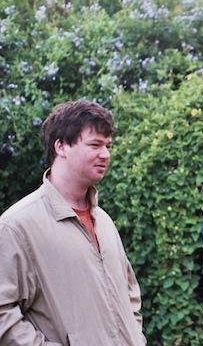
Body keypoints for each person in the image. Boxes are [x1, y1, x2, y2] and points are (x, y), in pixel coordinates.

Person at [0, 99, 146, 345]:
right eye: (95, 145)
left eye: (108, 145)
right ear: (61, 146)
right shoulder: (17, 226)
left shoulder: (104, 221)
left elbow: (130, 292)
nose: (105, 154)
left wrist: (136, 337)